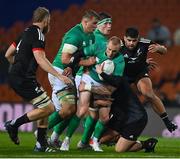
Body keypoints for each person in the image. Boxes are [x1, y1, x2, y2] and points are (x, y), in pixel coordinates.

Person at [4, 7, 73, 152]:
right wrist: (59, 76)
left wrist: (17, 65)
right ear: (46, 20)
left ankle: (41, 144)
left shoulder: (25, 32)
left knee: (46, 106)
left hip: (16, 76)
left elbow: (8, 54)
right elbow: (41, 60)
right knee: (49, 108)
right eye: (50, 20)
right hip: (24, 78)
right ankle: (14, 124)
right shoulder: (38, 35)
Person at [60, 36, 124, 151]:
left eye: (114, 51)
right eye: (109, 49)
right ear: (106, 45)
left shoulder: (120, 60)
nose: (110, 53)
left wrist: (100, 87)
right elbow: (79, 53)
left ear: (119, 49)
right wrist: (71, 65)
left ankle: (94, 142)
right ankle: (66, 140)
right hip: (89, 78)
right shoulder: (97, 47)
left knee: (104, 118)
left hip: (104, 84)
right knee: (82, 110)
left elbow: (116, 82)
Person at [46, 10, 99, 147]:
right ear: (85, 22)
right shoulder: (75, 35)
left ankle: (51, 138)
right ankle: (40, 134)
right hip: (60, 72)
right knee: (69, 109)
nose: (96, 26)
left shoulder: (91, 36)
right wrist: (86, 63)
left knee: (66, 111)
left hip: (70, 74)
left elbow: (85, 56)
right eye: (94, 23)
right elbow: (65, 59)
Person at [79, 63, 158, 153]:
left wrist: (86, 87)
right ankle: (120, 138)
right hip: (121, 116)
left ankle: (146, 144)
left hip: (135, 118)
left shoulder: (118, 80)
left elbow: (106, 92)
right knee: (98, 139)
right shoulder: (109, 80)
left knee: (119, 149)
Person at [122, 27, 177, 133]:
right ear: (124, 38)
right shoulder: (118, 45)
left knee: (148, 94)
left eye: (134, 40)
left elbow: (164, 50)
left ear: (138, 38)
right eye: (129, 40)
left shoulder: (144, 42)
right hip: (123, 75)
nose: (131, 43)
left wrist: (159, 49)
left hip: (139, 73)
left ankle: (167, 122)